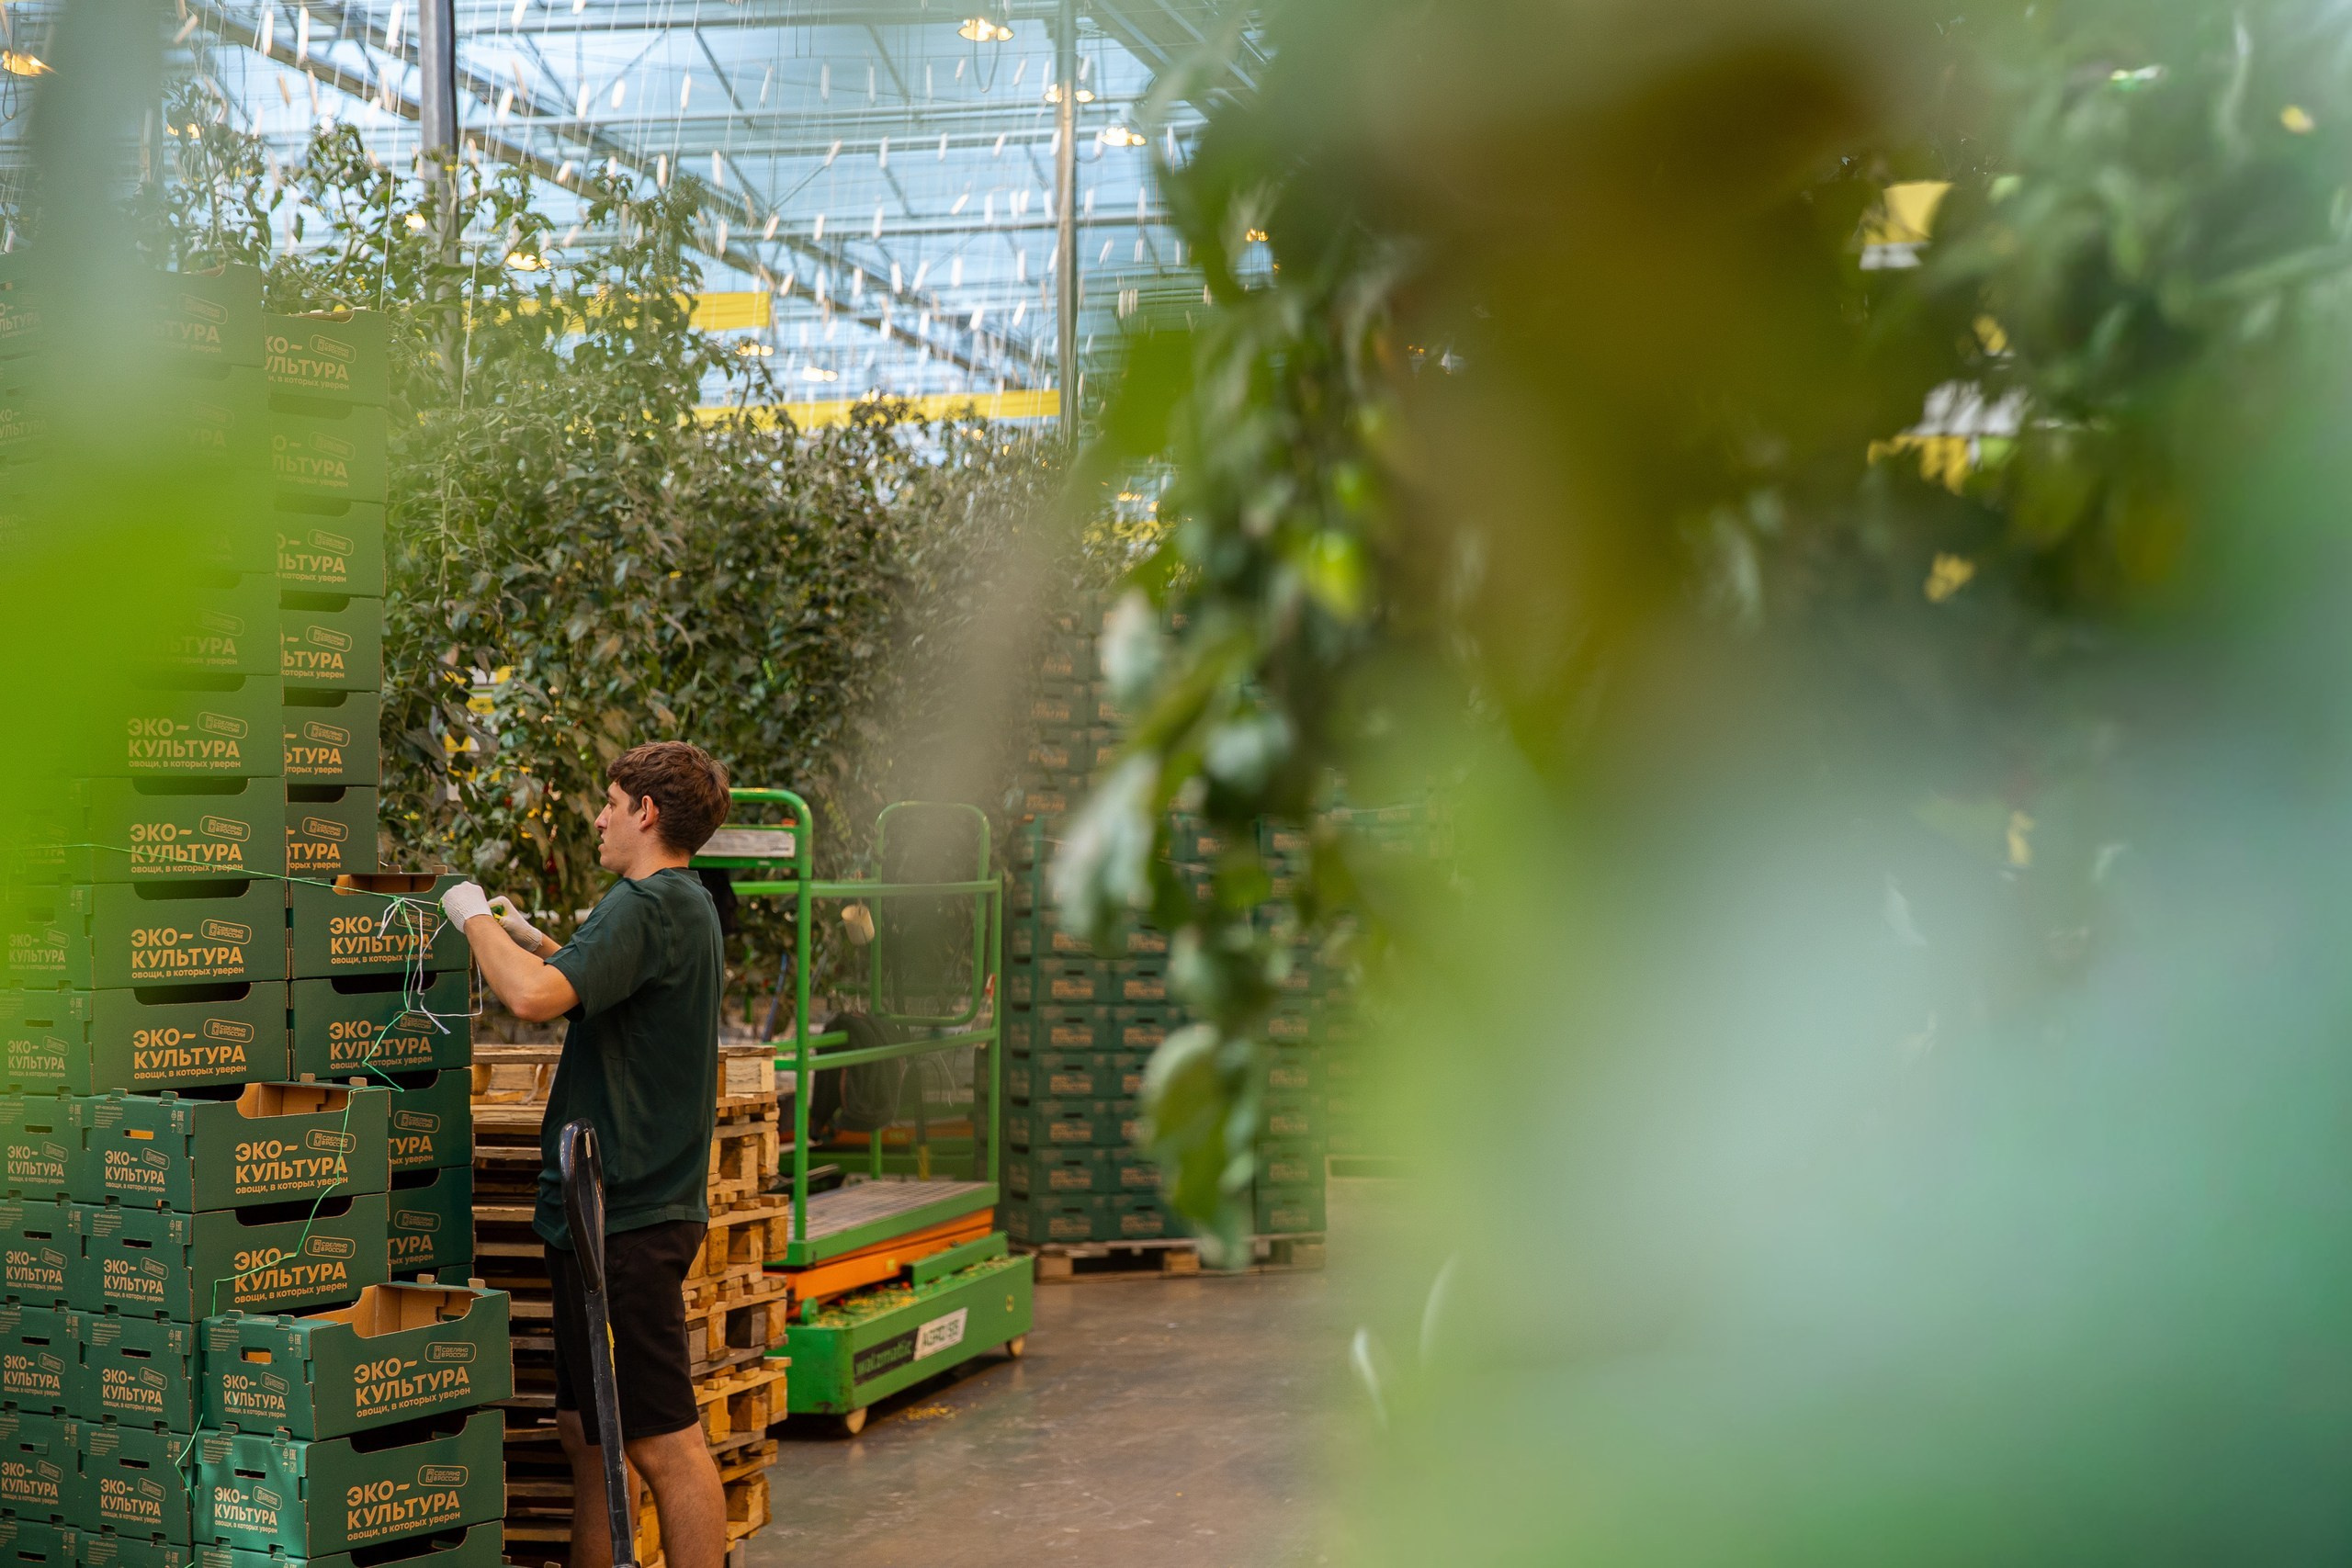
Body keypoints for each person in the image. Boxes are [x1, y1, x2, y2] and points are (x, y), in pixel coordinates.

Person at [441, 741, 733, 1568]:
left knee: (663, 1443)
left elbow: (533, 998)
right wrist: (530, 933)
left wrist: (468, 913)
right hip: (602, 1210)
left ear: (646, 812)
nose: (599, 818)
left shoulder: (647, 903)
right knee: (588, 1433)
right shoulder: (681, 901)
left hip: (628, 1216)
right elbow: (600, 987)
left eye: (609, 802)